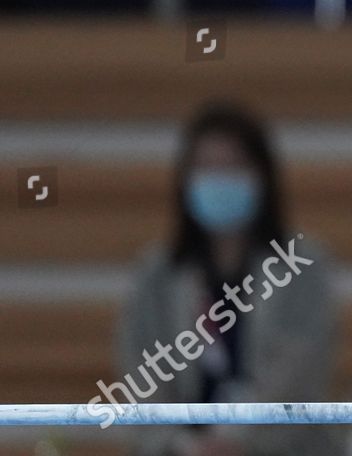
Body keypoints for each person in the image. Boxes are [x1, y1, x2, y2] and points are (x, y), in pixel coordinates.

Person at [113, 104, 338, 456]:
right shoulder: (155, 275)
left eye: (232, 166)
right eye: (206, 167)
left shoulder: (302, 266)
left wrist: (235, 442)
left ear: (261, 176)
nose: (219, 178)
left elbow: (297, 373)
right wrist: (186, 446)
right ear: (185, 179)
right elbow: (141, 376)